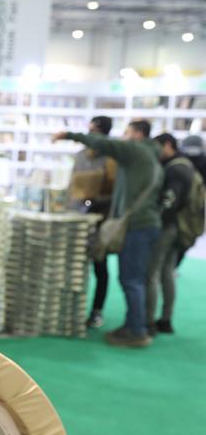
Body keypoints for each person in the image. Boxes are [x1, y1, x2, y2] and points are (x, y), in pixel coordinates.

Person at [55, 120, 162, 347]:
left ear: (138, 135)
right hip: (146, 224)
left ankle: (137, 332)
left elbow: (103, 143)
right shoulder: (151, 156)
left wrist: (68, 134)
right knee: (135, 279)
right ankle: (134, 325)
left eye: (127, 132)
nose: (123, 137)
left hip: (137, 225)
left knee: (132, 280)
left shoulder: (135, 150)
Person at [146, 133, 202, 335]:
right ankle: (165, 319)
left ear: (168, 145)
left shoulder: (175, 169)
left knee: (152, 273)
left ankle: (148, 322)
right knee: (167, 272)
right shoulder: (186, 166)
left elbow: (170, 201)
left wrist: (157, 221)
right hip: (182, 227)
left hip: (169, 226)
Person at [70, 116, 117, 329]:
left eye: (94, 131)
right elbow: (72, 185)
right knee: (74, 266)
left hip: (101, 219)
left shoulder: (112, 159)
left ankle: (97, 311)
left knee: (100, 266)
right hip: (77, 219)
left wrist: (97, 201)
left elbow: (115, 192)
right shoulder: (80, 156)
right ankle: (72, 311)